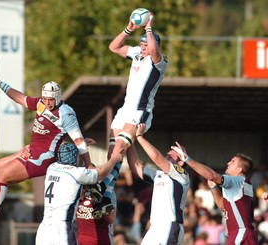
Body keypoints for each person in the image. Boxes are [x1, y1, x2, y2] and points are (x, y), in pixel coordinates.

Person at [0, 76, 92, 233]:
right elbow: (20, 98)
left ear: (58, 97)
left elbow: (79, 141)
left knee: (1, 175)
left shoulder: (66, 114)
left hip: (44, 157)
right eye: (45, 98)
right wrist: (1, 84)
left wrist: (89, 164)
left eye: (51, 99)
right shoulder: (40, 103)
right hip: (32, 151)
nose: (47, 102)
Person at [107, 11, 168, 160]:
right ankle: (107, 184)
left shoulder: (160, 62)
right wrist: (128, 30)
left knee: (119, 147)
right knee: (111, 153)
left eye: (146, 45)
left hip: (140, 111)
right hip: (125, 109)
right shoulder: (137, 53)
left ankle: (104, 182)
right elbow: (113, 47)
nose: (143, 48)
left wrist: (148, 28)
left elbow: (153, 50)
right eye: (141, 45)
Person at [35, 143, 122, 245]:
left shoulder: (52, 168)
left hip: (44, 228)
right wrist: (114, 160)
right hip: (61, 228)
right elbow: (102, 174)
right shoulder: (77, 174)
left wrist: (79, 150)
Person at [171, 142, 257, 245]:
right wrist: (213, 187)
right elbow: (222, 205)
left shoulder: (236, 181)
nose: (228, 163)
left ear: (239, 169)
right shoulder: (241, 183)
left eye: (233, 162)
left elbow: (212, 175)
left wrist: (186, 159)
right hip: (240, 233)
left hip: (241, 234)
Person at [126, 123, 190, 245]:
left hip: (170, 225)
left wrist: (139, 136)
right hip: (154, 227)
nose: (169, 152)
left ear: (181, 162)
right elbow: (136, 167)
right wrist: (129, 140)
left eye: (175, 152)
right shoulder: (158, 174)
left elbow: (156, 157)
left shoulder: (182, 175)